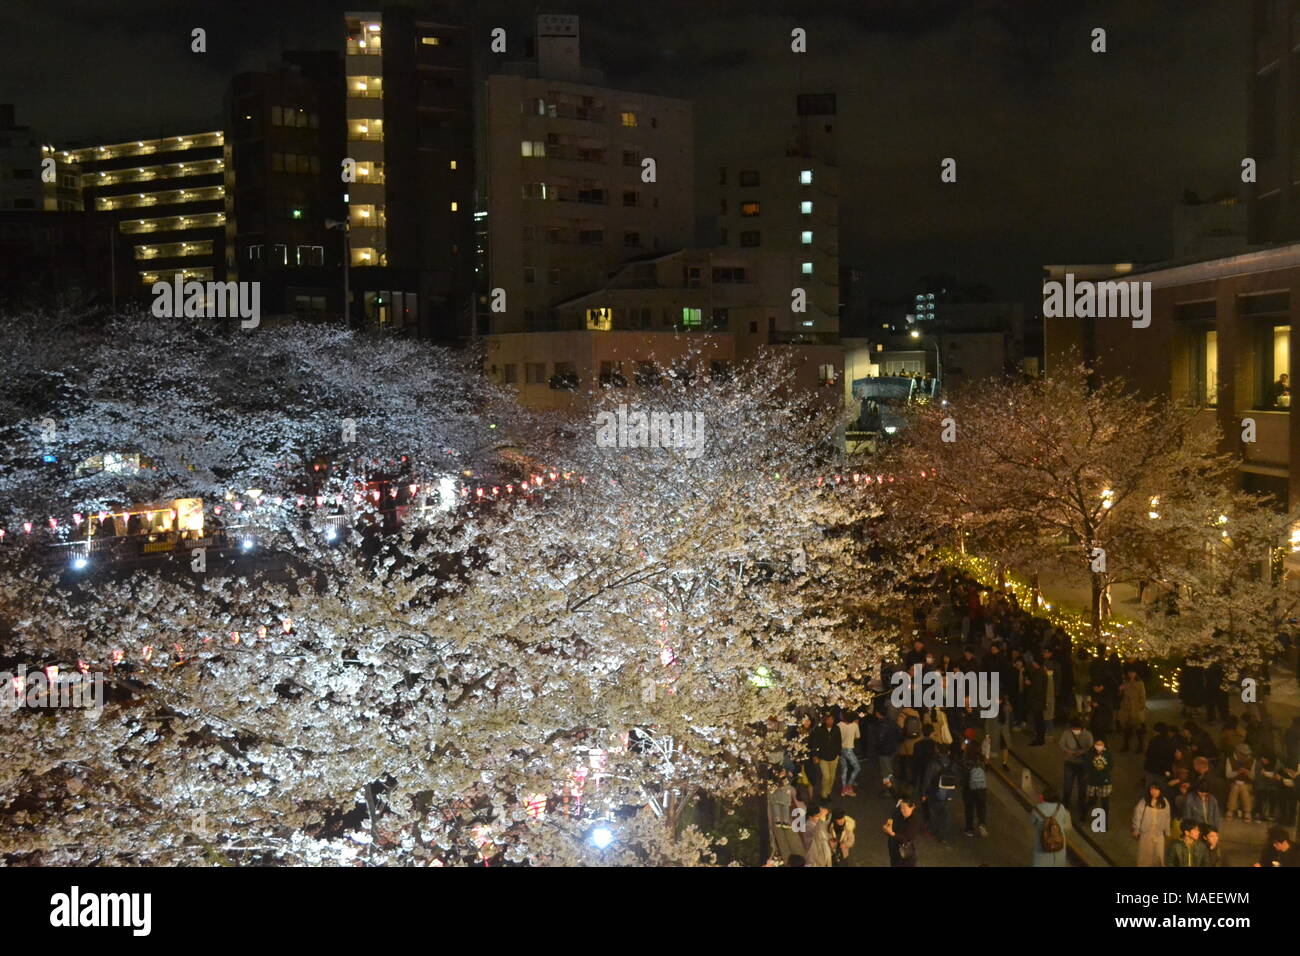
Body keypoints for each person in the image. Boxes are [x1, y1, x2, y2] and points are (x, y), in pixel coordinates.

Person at [767, 769, 806, 863]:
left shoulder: (787, 789)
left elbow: (798, 804)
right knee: (785, 842)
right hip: (782, 819)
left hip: (787, 819)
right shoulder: (771, 792)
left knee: (789, 843)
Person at [1059, 715, 1093, 813]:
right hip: (1070, 762)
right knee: (1067, 784)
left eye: (1077, 728)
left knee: (1082, 785)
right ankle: (1066, 803)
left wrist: (1082, 752)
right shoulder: (1066, 733)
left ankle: (1081, 804)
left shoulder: (1087, 735)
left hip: (1083, 764)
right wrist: (1067, 751)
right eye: (1074, 728)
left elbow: (1090, 748)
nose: (1075, 730)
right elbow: (1061, 744)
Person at [1031, 786, 1070, 867]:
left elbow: (1032, 822)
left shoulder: (1037, 809)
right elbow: (1064, 821)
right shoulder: (1061, 807)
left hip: (1043, 844)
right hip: (1058, 842)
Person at [1132, 784, 1171, 867]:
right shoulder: (1144, 801)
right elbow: (1137, 815)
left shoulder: (1164, 802)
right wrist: (1136, 829)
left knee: (1159, 854)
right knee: (1145, 853)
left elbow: (1167, 817)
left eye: (1156, 789)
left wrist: (1167, 831)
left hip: (1159, 832)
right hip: (1146, 832)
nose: (1154, 792)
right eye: (1152, 789)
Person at [810, 713, 840, 802]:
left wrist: (838, 754)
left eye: (831, 719)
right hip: (823, 757)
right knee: (826, 776)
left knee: (832, 776)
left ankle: (828, 792)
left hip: (834, 756)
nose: (830, 721)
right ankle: (824, 794)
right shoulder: (819, 730)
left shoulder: (836, 729)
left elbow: (839, 741)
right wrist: (815, 755)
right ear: (825, 720)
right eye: (828, 719)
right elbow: (815, 743)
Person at [961, 743, 989, 837]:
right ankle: (982, 824)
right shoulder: (982, 759)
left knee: (969, 808)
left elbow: (963, 772)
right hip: (981, 787)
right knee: (981, 807)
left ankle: (969, 829)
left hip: (969, 788)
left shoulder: (967, 761)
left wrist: (962, 751)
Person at [884, 797, 921, 867]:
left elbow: (906, 838)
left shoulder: (914, 821)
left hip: (905, 853)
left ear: (912, 807)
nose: (902, 810)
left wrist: (892, 834)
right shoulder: (899, 815)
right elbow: (892, 823)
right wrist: (887, 829)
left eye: (904, 808)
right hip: (894, 849)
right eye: (901, 808)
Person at [1085, 738, 1114, 827]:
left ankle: (1104, 823)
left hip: (1104, 781)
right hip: (1093, 781)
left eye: (1101, 744)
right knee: (1092, 801)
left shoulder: (1108, 754)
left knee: (1105, 803)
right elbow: (1087, 765)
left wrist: (1103, 768)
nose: (1099, 746)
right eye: (1097, 744)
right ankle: (1083, 813)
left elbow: (1110, 766)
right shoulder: (1090, 753)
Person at [1117, 668, 1148, 753]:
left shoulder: (1140, 683)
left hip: (1136, 708)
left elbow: (1143, 696)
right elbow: (1120, 696)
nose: (1131, 674)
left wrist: (1140, 707)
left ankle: (1140, 746)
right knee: (1127, 729)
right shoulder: (1126, 682)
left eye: (1133, 672)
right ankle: (1126, 745)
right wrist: (1120, 690)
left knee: (1138, 728)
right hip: (1126, 708)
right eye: (1129, 672)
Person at [1226, 742, 1256, 822]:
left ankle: (1247, 811)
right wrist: (1237, 772)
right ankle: (1231, 810)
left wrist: (1248, 773)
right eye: (1243, 754)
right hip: (1234, 782)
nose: (1245, 756)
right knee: (1235, 787)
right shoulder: (1230, 759)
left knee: (1243, 788)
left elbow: (1253, 776)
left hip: (1247, 783)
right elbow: (1228, 774)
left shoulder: (1252, 760)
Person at [836, 711, 861, 797]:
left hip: (840, 749)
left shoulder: (839, 725)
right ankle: (849, 786)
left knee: (844, 769)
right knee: (857, 767)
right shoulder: (854, 725)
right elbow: (857, 736)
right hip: (849, 749)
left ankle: (843, 789)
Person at [1024, 658, 1048, 745]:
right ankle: (1040, 738)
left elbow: (1037, 688)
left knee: (1038, 720)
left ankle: (1040, 739)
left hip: (1037, 701)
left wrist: (1030, 684)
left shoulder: (1039, 673)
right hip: (1039, 701)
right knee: (1039, 720)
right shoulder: (1040, 672)